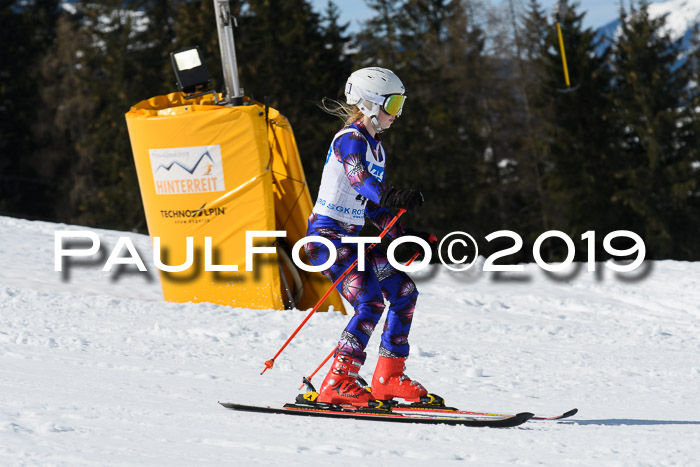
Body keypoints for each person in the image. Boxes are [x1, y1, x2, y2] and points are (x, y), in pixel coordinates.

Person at [305, 67, 438, 406]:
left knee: (404, 292)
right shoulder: (349, 139)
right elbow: (358, 179)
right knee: (371, 301)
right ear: (369, 104)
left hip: (351, 240)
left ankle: (388, 378)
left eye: (401, 105)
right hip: (327, 240)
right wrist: (392, 194)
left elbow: (370, 207)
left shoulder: (378, 149)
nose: (397, 114)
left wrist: (402, 236)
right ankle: (337, 382)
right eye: (392, 104)